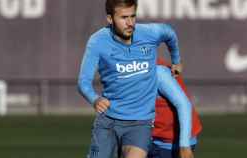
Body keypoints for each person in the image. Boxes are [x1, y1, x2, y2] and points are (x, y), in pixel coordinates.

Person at [78, 0, 190, 158]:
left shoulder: (150, 33)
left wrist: (176, 60)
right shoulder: (97, 41)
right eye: (124, 17)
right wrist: (95, 99)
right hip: (108, 121)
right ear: (110, 19)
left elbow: (169, 33)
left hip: (140, 123)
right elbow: (83, 83)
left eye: (133, 16)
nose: (130, 23)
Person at [148, 59, 203, 158]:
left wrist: (184, 147)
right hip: (149, 139)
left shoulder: (157, 71)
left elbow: (184, 105)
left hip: (170, 143)